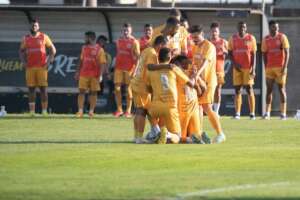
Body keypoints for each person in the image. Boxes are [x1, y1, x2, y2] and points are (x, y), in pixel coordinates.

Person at [146, 48, 196, 144]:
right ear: (169, 57)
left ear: (158, 57)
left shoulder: (151, 71)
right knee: (177, 136)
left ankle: (156, 132)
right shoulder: (174, 68)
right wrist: (193, 76)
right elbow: (191, 84)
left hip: (155, 107)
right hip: (170, 107)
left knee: (148, 112)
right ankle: (167, 134)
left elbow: (148, 88)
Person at [190, 25, 226, 144]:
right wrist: (194, 75)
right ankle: (199, 133)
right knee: (198, 107)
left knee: (206, 107)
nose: (195, 39)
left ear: (202, 35)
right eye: (193, 37)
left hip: (209, 82)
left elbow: (205, 62)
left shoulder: (209, 46)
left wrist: (197, 74)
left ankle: (220, 133)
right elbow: (194, 64)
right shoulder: (195, 47)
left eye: (197, 37)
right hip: (199, 82)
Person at [131, 36, 168, 144]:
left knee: (140, 111)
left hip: (137, 83)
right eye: (165, 46)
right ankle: (139, 138)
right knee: (141, 111)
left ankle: (137, 136)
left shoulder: (146, 50)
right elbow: (150, 67)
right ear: (160, 44)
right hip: (141, 85)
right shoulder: (152, 53)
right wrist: (166, 66)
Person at [19, 19, 56, 116]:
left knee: (43, 89)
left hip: (41, 68)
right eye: (32, 25)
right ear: (29, 27)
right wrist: (23, 62)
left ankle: (44, 111)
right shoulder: (26, 38)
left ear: (38, 27)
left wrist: (48, 62)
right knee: (31, 89)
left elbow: (53, 50)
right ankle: (32, 112)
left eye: (35, 25)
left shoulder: (44, 37)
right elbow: (21, 51)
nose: (33, 27)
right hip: (30, 68)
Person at [261, 20, 290, 120]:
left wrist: (284, 66)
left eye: (277, 27)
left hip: (280, 68)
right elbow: (264, 53)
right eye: (274, 27)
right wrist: (266, 66)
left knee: (281, 89)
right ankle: (267, 113)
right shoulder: (266, 39)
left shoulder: (282, 37)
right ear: (270, 28)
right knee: (269, 90)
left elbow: (287, 53)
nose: (276, 28)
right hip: (270, 68)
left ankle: (283, 113)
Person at [228, 21, 257, 120]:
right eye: (240, 27)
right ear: (237, 28)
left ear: (246, 28)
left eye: (244, 27)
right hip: (237, 68)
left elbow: (254, 54)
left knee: (249, 88)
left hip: (248, 68)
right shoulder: (233, 38)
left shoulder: (251, 38)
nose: (242, 29)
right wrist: (235, 64)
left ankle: (252, 113)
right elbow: (230, 52)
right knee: (237, 90)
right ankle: (237, 113)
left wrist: (253, 69)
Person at [74, 31, 107, 118]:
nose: (84, 39)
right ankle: (80, 111)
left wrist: (100, 75)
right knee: (81, 92)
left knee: (93, 93)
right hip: (83, 74)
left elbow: (102, 63)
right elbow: (81, 60)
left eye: (85, 38)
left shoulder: (100, 49)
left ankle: (91, 111)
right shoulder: (84, 48)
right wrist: (77, 72)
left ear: (90, 38)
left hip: (94, 75)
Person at [113, 23, 140, 118]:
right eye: (124, 30)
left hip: (130, 69)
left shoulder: (134, 42)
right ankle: (119, 110)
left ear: (131, 31)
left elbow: (138, 58)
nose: (125, 32)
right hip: (118, 68)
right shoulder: (118, 41)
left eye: (127, 30)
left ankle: (128, 111)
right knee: (117, 89)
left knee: (128, 90)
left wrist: (136, 70)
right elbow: (118, 54)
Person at [209, 22, 228, 116]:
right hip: (209, 71)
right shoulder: (208, 42)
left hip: (219, 69)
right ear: (210, 32)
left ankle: (216, 112)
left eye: (215, 31)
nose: (214, 33)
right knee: (209, 90)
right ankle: (209, 111)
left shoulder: (223, 42)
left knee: (218, 90)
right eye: (212, 31)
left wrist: (224, 52)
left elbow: (228, 53)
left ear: (218, 32)